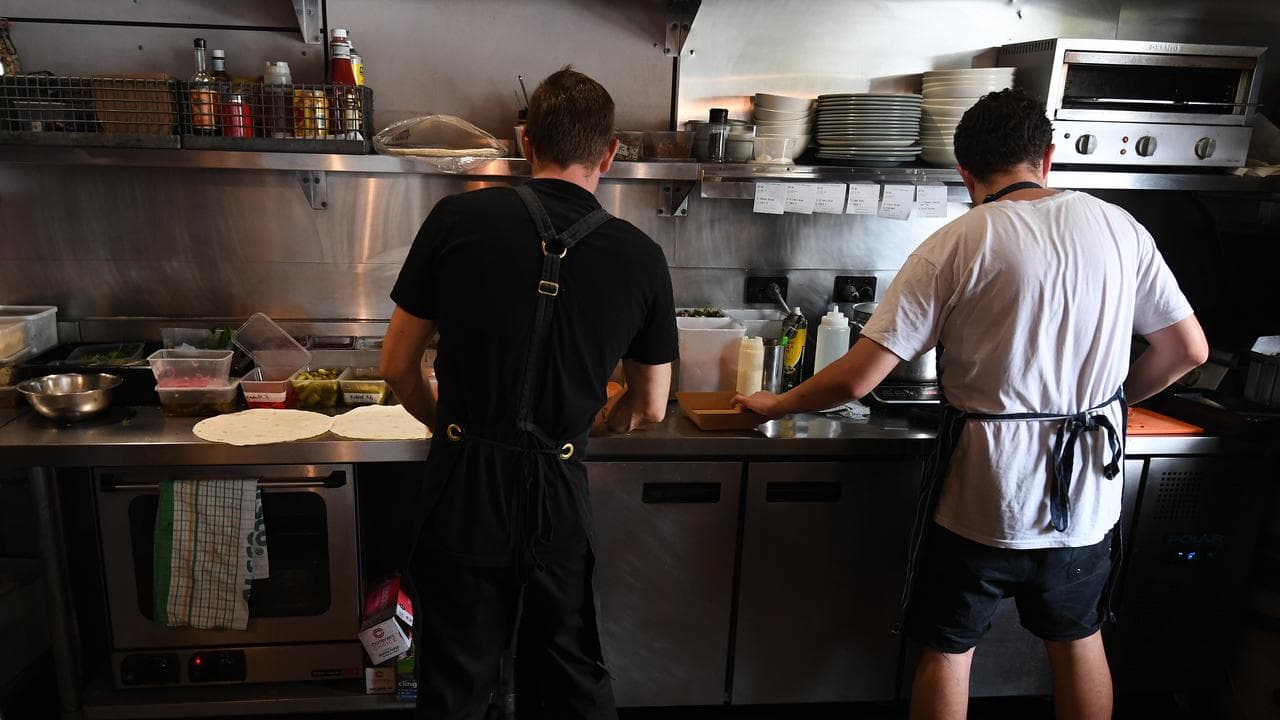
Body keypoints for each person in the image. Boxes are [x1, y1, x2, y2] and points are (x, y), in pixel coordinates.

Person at [734, 88, 1208, 720]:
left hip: (986, 494)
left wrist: (774, 405)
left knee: (949, 649)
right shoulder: (1121, 227)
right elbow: (1187, 349)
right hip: (1087, 499)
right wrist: (1109, 404)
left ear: (964, 173)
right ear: (1048, 157)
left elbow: (857, 379)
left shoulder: (958, 241)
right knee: (1078, 640)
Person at [381, 67, 677, 720]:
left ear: (523, 142)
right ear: (610, 153)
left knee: (457, 680)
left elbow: (398, 365)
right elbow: (651, 404)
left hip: (462, 483)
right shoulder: (641, 256)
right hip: (558, 488)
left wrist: (448, 427)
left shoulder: (456, 218)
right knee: (568, 674)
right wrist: (601, 420)